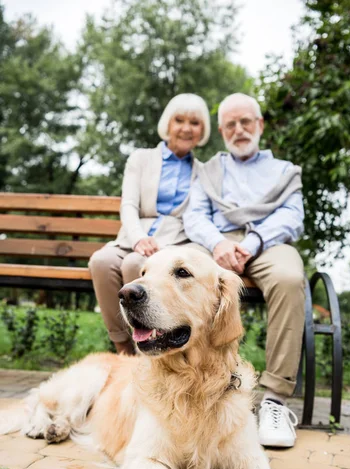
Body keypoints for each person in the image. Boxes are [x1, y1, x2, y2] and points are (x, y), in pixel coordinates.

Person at [183, 93, 304, 448]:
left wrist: (251, 244)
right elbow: (195, 214)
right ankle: (190, 385)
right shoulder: (208, 170)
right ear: (221, 130)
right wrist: (219, 244)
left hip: (266, 242)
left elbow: (292, 216)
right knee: (177, 273)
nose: (239, 130)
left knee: (289, 278)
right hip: (214, 243)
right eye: (231, 124)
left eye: (246, 122)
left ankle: (275, 400)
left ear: (260, 125)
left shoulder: (284, 171)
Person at [89, 93, 210, 355]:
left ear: (203, 132)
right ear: (168, 124)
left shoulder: (204, 171)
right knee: (101, 261)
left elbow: (196, 217)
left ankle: (147, 344)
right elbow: (129, 204)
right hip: (131, 236)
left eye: (195, 122)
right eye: (179, 120)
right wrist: (138, 238)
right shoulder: (141, 158)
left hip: (173, 243)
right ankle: (123, 347)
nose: (186, 128)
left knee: (135, 264)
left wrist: (158, 247)